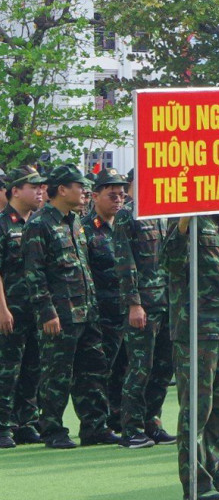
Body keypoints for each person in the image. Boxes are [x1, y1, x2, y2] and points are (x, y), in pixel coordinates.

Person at [164, 212, 219, 500]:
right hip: (197, 328)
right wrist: (182, 226)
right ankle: (196, 481)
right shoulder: (185, 218)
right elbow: (170, 264)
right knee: (197, 409)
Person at [21, 164, 94, 448]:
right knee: (56, 375)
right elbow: (34, 273)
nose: (84, 191)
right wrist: (46, 312)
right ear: (62, 189)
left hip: (86, 310)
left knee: (91, 372)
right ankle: (52, 429)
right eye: (78, 186)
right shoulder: (40, 224)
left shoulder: (75, 220)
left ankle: (94, 427)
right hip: (60, 315)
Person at [74, 168, 136, 445]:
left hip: (126, 311)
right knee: (95, 371)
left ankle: (116, 419)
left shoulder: (124, 226)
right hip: (99, 313)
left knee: (124, 368)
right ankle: (93, 426)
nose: (118, 199)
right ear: (95, 196)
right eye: (112, 194)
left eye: (122, 194)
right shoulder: (84, 229)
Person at [114, 174, 171, 448]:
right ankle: (132, 428)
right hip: (143, 305)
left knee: (163, 368)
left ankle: (152, 422)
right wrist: (133, 303)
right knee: (139, 368)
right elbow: (125, 261)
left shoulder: (164, 211)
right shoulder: (128, 214)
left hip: (167, 302)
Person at [0, 166, 48, 447]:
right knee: (8, 370)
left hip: (36, 309)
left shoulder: (39, 223)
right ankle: (3, 425)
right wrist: (3, 309)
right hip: (11, 310)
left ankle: (26, 423)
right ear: (15, 190)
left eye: (42, 186)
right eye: (34, 186)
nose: (40, 191)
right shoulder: (4, 224)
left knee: (33, 368)